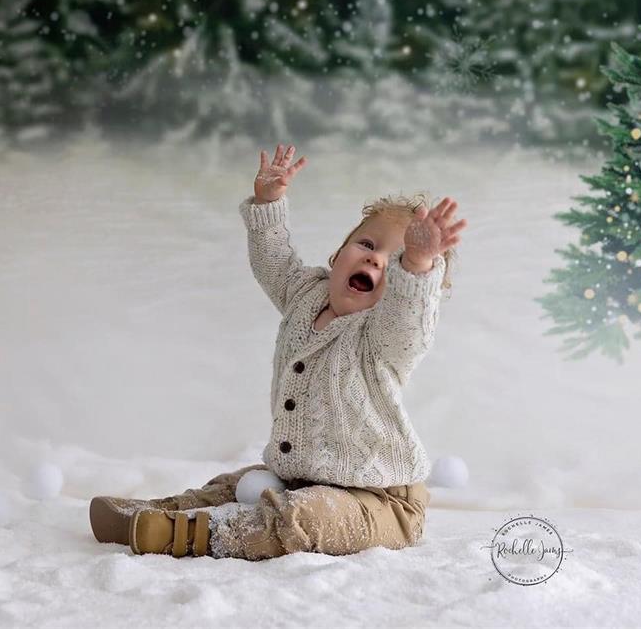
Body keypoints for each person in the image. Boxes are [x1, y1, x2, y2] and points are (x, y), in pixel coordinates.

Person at [90, 143, 467, 560]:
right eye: (366, 244)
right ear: (338, 255)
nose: (376, 259)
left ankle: (182, 534)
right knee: (237, 484)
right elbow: (274, 261)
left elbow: (408, 320)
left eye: (392, 260)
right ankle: (159, 512)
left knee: (303, 519)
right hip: (298, 478)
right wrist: (270, 202)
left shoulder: (381, 336)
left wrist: (417, 264)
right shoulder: (306, 292)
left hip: (381, 501)